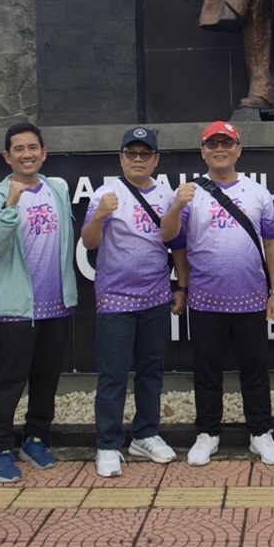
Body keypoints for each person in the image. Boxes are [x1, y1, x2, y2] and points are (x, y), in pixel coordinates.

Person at [160, 120, 274, 466]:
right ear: (202, 151)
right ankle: (207, 433)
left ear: (238, 149)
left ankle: (261, 433)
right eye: (212, 144)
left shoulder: (257, 192)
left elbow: (272, 242)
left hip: (251, 299)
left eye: (227, 143)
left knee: (255, 369)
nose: (220, 149)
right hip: (205, 301)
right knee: (206, 371)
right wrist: (176, 206)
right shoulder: (189, 193)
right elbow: (170, 238)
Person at [83, 127, 189, 477]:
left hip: (156, 296)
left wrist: (181, 287)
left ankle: (145, 434)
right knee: (113, 375)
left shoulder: (166, 194)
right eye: (131, 153)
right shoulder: (105, 193)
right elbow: (89, 242)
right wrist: (99, 215)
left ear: (156, 159)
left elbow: (175, 243)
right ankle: (108, 443)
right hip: (115, 299)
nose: (138, 159)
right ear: (121, 158)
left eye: (145, 154)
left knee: (151, 371)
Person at [0, 122, 78, 483]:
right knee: (7, 382)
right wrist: (10, 205)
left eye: (33, 147)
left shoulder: (57, 189)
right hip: (17, 308)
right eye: (18, 149)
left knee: (45, 380)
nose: (26, 154)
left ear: (44, 153)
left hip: (56, 304)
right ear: (7, 156)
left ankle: (34, 438)